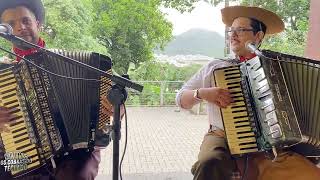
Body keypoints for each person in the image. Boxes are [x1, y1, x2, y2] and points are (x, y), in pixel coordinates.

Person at [176, 5, 320, 180]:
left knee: (309, 173)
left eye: (241, 30)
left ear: (258, 36)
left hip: (270, 144)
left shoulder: (276, 67)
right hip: (222, 136)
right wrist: (202, 93)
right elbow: (180, 98)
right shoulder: (216, 67)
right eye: (231, 31)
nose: (233, 35)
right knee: (209, 161)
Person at [0, 0, 114, 179]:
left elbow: (113, 96)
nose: (20, 27)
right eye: (11, 24)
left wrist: (115, 105)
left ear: (38, 24)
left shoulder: (70, 61)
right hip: (21, 151)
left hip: (76, 153)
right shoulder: (3, 72)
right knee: (6, 170)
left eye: (26, 20)